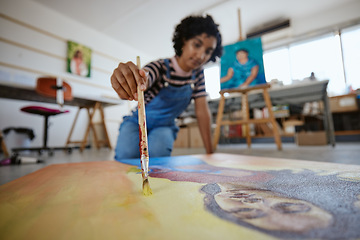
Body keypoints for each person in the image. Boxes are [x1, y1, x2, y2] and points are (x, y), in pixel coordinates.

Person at [110, 15, 223, 160]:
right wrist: (136, 78)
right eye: (196, 45)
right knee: (126, 156)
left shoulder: (198, 75)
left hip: (165, 126)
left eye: (208, 51)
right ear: (183, 41)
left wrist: (210, 153)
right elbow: (147, 75)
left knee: (159, 155)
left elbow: (202, 111)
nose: (201, 55)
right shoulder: (161, 66)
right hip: (136, 122)